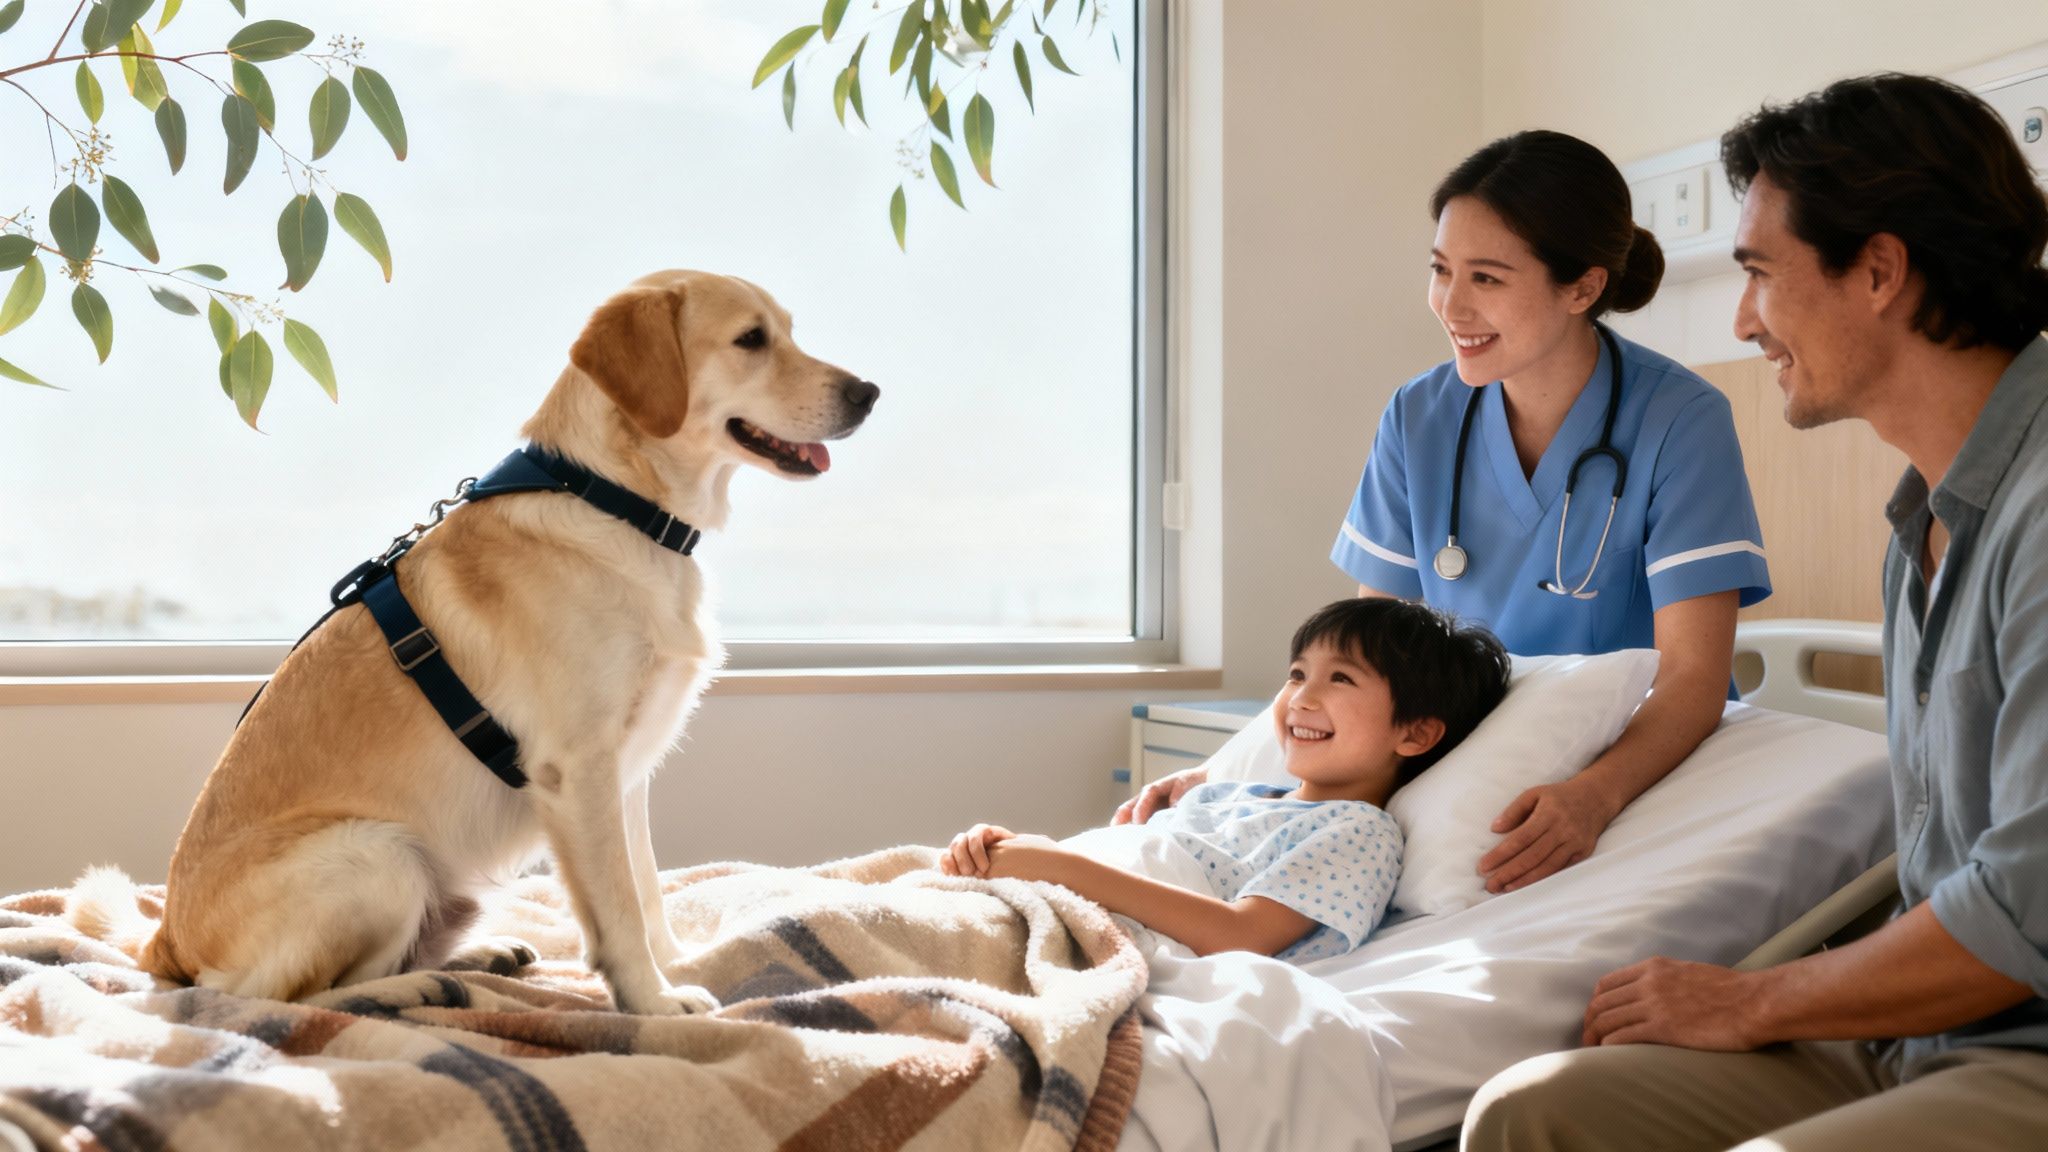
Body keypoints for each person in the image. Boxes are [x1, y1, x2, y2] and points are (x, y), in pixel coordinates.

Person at [1464, 73, 2048, 1151]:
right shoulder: (1919, 525)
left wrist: (1756, 998)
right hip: (1921, 1034)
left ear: (1877, 271)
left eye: (1758, 276)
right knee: (1527, 1115)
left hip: (2026, 1052)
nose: (1738, 321)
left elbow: (2025, 912)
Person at [1120, 131, 1771, 897]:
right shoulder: (1420, 416)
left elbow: (1694, 677)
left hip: (1624, 773)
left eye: (1487, 278)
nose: (1451, 306)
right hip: (1459, 755)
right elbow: (1366, 658)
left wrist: (1594, 796)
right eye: (1440, 270)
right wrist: (1232, 775)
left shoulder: (1679, 421)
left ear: (1583, 288)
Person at [944, 597, 1509, 961]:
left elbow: (1242, 936)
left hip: (1093, 934)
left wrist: (1058, 866)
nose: (1300, 698)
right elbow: (1131, 858)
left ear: (1414, 735)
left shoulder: (1359, 831)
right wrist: (1002, 853)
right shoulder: (1223, 796)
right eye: (1296, 675)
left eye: (1340, 679)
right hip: (1033, 896)